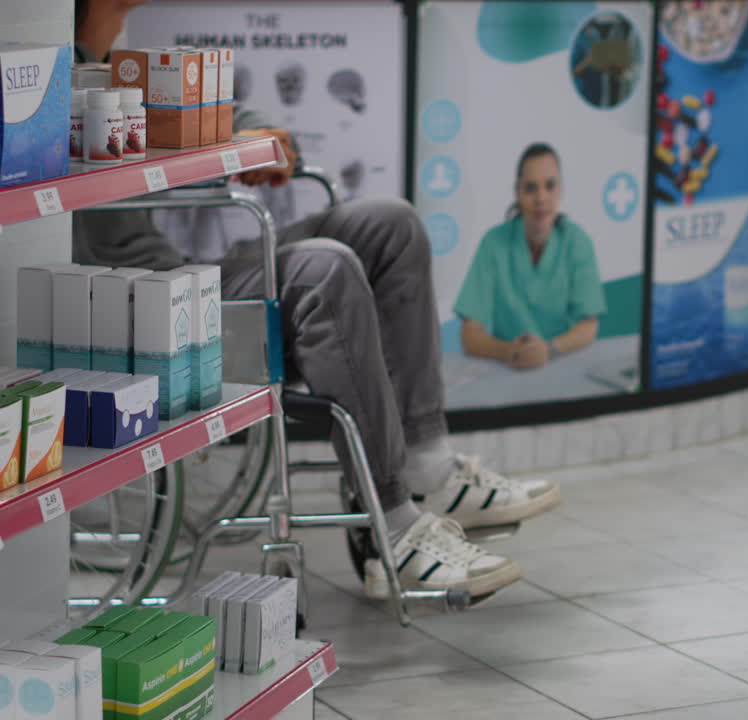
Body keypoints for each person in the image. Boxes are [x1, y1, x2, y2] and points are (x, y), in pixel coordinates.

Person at [73, 0, 561, 601]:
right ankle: (393, 519)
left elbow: (216, 111)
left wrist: (258, 137)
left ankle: (426, 457)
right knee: (323, 270)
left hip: (181, 272)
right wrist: (227, 146)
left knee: (390, 223)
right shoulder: (65, 84)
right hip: (134, 303)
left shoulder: (119, 69)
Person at [456, 143, 607, 370]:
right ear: (517, 192)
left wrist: (548, 349)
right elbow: (469, 334)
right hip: (506, 369)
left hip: (562, 364)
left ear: (561, 190)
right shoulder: (493, 243)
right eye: (530, 188)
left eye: (550, 186)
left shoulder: (577, 241)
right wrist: (509, 352)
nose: (541, 198)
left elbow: (589, 326)